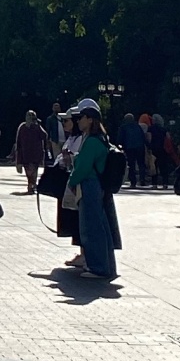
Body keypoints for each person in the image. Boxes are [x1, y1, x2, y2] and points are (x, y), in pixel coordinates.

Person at [65, 99, 120, 281]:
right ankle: (106, 265)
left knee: (91, 228)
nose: (78, 121)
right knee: (101, 227)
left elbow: (82, 167)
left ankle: (98, 267)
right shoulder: (101, 139)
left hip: (89, 185)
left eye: (81, 118)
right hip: (98, 185)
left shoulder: (91, 142)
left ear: (90, 120)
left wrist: (72, 181)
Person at [14, 108, 48, 197]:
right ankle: (31, 185)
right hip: (25, 153)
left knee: (34, 171)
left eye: (32, 116)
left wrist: (38, 125)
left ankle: (32, 186)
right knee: (28, 171)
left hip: (36, 153)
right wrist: (17, 154)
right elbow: (18, 141)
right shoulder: (22, 127)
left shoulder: (37, 127)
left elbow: (44, 136)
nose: (30, 118)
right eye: (29, 116)